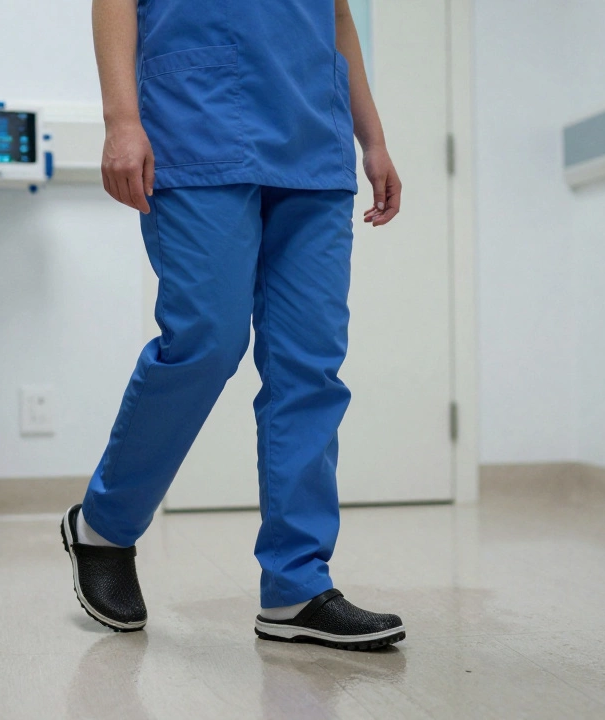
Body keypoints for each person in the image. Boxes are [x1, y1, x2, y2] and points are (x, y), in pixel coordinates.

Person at [61, 0, 405, 651]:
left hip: (313, 136)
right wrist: (121, 120)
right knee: (206, 343)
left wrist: (375, 139)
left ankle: (296, 584)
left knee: (309, 367)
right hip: (199, 122)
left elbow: (336, 18)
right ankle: (104, 525)